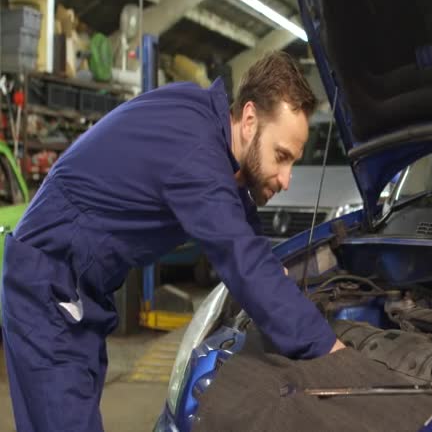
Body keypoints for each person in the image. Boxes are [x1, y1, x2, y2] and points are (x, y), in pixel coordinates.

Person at [1, 51, 345, 432]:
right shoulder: (195, 151)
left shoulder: (203, 125)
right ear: (249, 120)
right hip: (49, 282)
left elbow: (243, 229)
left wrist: (278, 278)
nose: (285, 178)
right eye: (281, 157)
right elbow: (240, 258)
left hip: (80, 288)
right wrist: (328, 349)